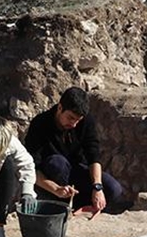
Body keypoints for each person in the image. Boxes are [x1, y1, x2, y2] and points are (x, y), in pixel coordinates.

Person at [23, 86, 122, 217]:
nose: (74, 124)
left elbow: (93, 156)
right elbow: (32, 168)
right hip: (51, 181)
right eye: (70, 118)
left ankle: (84, 206)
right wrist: (56, 189)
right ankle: (65, 204)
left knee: (114, 190)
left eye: (78, 120)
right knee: (56, 163)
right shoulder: (40, 124)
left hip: (77, 172)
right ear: (60, 108)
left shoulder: (86, 122)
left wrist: (97, 188)